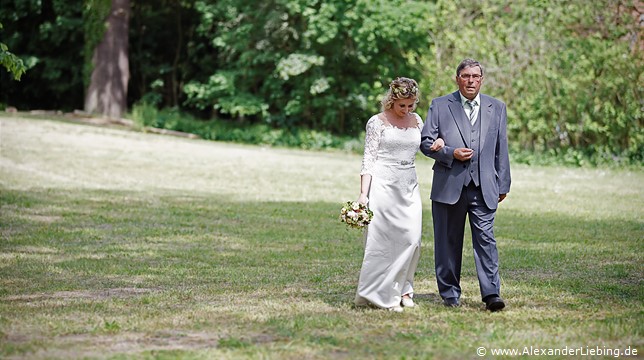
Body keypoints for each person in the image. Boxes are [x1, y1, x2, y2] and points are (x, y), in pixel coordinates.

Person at [420, 59, 511, 312]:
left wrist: (503, 183)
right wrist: (449, 152)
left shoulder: (497, 107)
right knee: (448, 242)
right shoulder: (440, 105)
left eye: (475, 76)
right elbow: (426, 142)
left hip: (484, 186)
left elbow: (501, 149)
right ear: (457, 78)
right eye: (465, 76)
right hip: (449, 186)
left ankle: (492, 294)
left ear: (481, 79)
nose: (471, 81)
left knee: (486, 240)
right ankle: (450, 293)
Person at [354, 77, 444, 312]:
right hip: (383, 185)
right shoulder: (377, 122)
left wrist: (439, 143)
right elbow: (369, 159)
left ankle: (405, 287)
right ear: (391, 100)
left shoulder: (417, 120)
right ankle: (382, 293)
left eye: (411, 105)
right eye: (402, 105)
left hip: (409, 185)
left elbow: (426, 145)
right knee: (383, 241)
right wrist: (363, 195)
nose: (406, 110)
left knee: (411, 239)